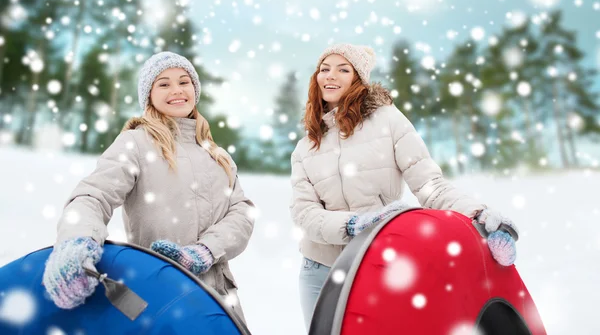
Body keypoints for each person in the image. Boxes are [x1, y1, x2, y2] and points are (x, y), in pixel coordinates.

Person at [290, 43, 518, 330]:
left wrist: (478, 214)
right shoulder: (306, 147)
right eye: (324, 69)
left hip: (373, 263)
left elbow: (430, 186)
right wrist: (354, 225)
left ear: (357, 80)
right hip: (318, 270)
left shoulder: (388, 121)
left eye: (342, 69)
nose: (330, 76)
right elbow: (305, 214)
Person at [42, 51, 255, 322]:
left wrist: (204, 251)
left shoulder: (217, 154)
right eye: (163, 84)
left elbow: (242, 214)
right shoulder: (136, 144)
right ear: (149, 95)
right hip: (160, 294)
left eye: (184, 81)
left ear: (195, 89)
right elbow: (94, 196)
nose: (177, 90)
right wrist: (76, 239)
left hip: (220, 300)